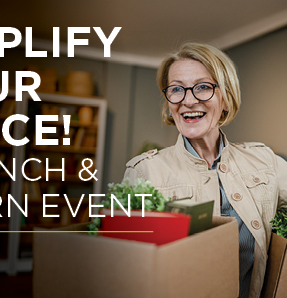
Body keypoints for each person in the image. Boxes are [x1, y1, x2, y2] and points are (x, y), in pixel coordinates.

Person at [123, 42, 287, 298]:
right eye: (176, 89)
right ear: (169, 103)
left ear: (225, 98)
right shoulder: (144, 172)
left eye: (203, 87)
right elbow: (125, 268)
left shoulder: (264, 160)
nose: (188, 100)